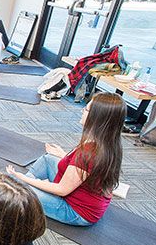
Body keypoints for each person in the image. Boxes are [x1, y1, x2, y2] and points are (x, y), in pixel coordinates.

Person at [7, 92, 126, 226]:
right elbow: (86, 169)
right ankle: (26, 190)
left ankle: (23, 191)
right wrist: (64, 156)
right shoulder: (108, 142)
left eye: (86, 109)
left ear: (97, 118)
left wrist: (24, 179)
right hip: (84, 195)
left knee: (17, 188)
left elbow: (62, 190)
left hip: (76, 212)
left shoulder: (89, 152)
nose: (82, 110)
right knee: (48, 159)